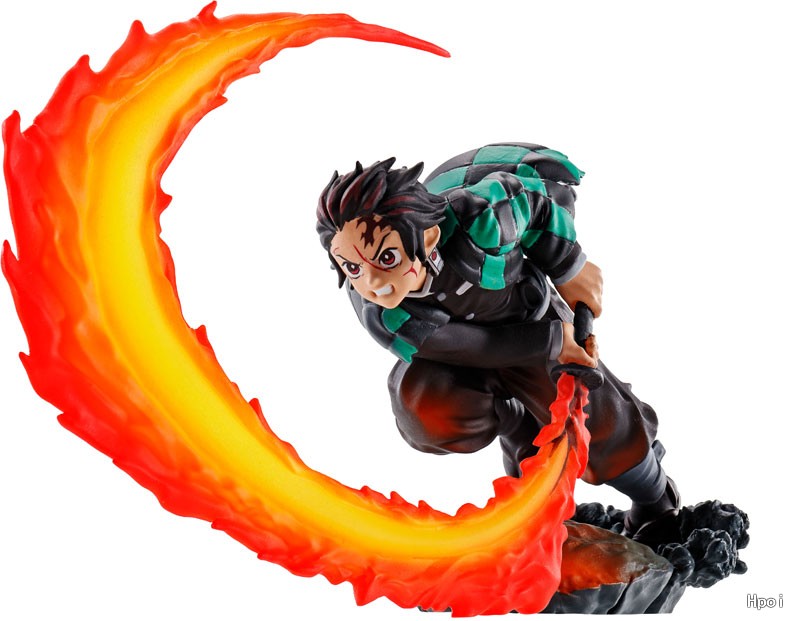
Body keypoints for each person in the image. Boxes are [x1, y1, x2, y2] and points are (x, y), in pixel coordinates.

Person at [316, 142, 679, 542]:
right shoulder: (382, 314)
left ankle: (655, 500)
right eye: (352, 267)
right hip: (470, 358)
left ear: (430, 236)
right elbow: (469, 346)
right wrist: (550, 342)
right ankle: (518, 430)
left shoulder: (480, 222)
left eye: (387, 259)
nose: (373, 283)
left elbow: (533, 201)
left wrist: (569, 268)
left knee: (597, 424)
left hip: (527, 314)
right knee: (428, 410)